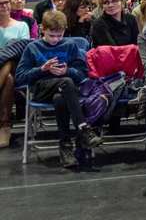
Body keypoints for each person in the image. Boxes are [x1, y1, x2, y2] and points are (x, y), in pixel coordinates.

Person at [15, 11, 101, 168]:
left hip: (65, 92)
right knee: (66, 82)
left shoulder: (70, 45)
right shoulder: (33, 47)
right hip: (42, 89)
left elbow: (83, 74)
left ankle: (65, 148)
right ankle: (83, 128)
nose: (55, 40)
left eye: (59, 36)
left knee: (61, 98)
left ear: (65, 30)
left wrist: (66, 71)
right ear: (42, 29)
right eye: (51, 36)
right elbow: (20, 77)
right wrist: (41, 69)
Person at [0, 0, 29, 147]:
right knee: (8, 79)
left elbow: (22, 49)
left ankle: (4, 126)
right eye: (1, 4)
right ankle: (5, 126)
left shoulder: (21, 25)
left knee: (9, 59)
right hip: (6, 75)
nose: (4, 6)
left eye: (6, 3)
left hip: (18, 66)